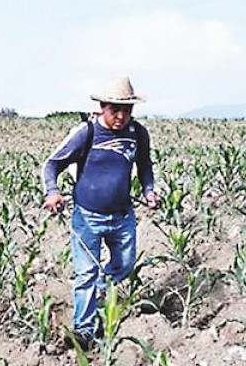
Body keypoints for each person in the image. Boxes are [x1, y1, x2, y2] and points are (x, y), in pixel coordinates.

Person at [42, 76, 159, 347]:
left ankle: (101, 291)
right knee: (85, 273)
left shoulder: (138, 134)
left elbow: (144, 166)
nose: (120, 116)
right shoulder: (87, 133)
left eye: (126, 110)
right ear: (102, 107)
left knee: (124, 265)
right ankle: (83, 330)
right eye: (114, 109)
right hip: (88, 216)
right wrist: (52, 191)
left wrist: (149, 190)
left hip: (122, 216)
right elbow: (52, 164)